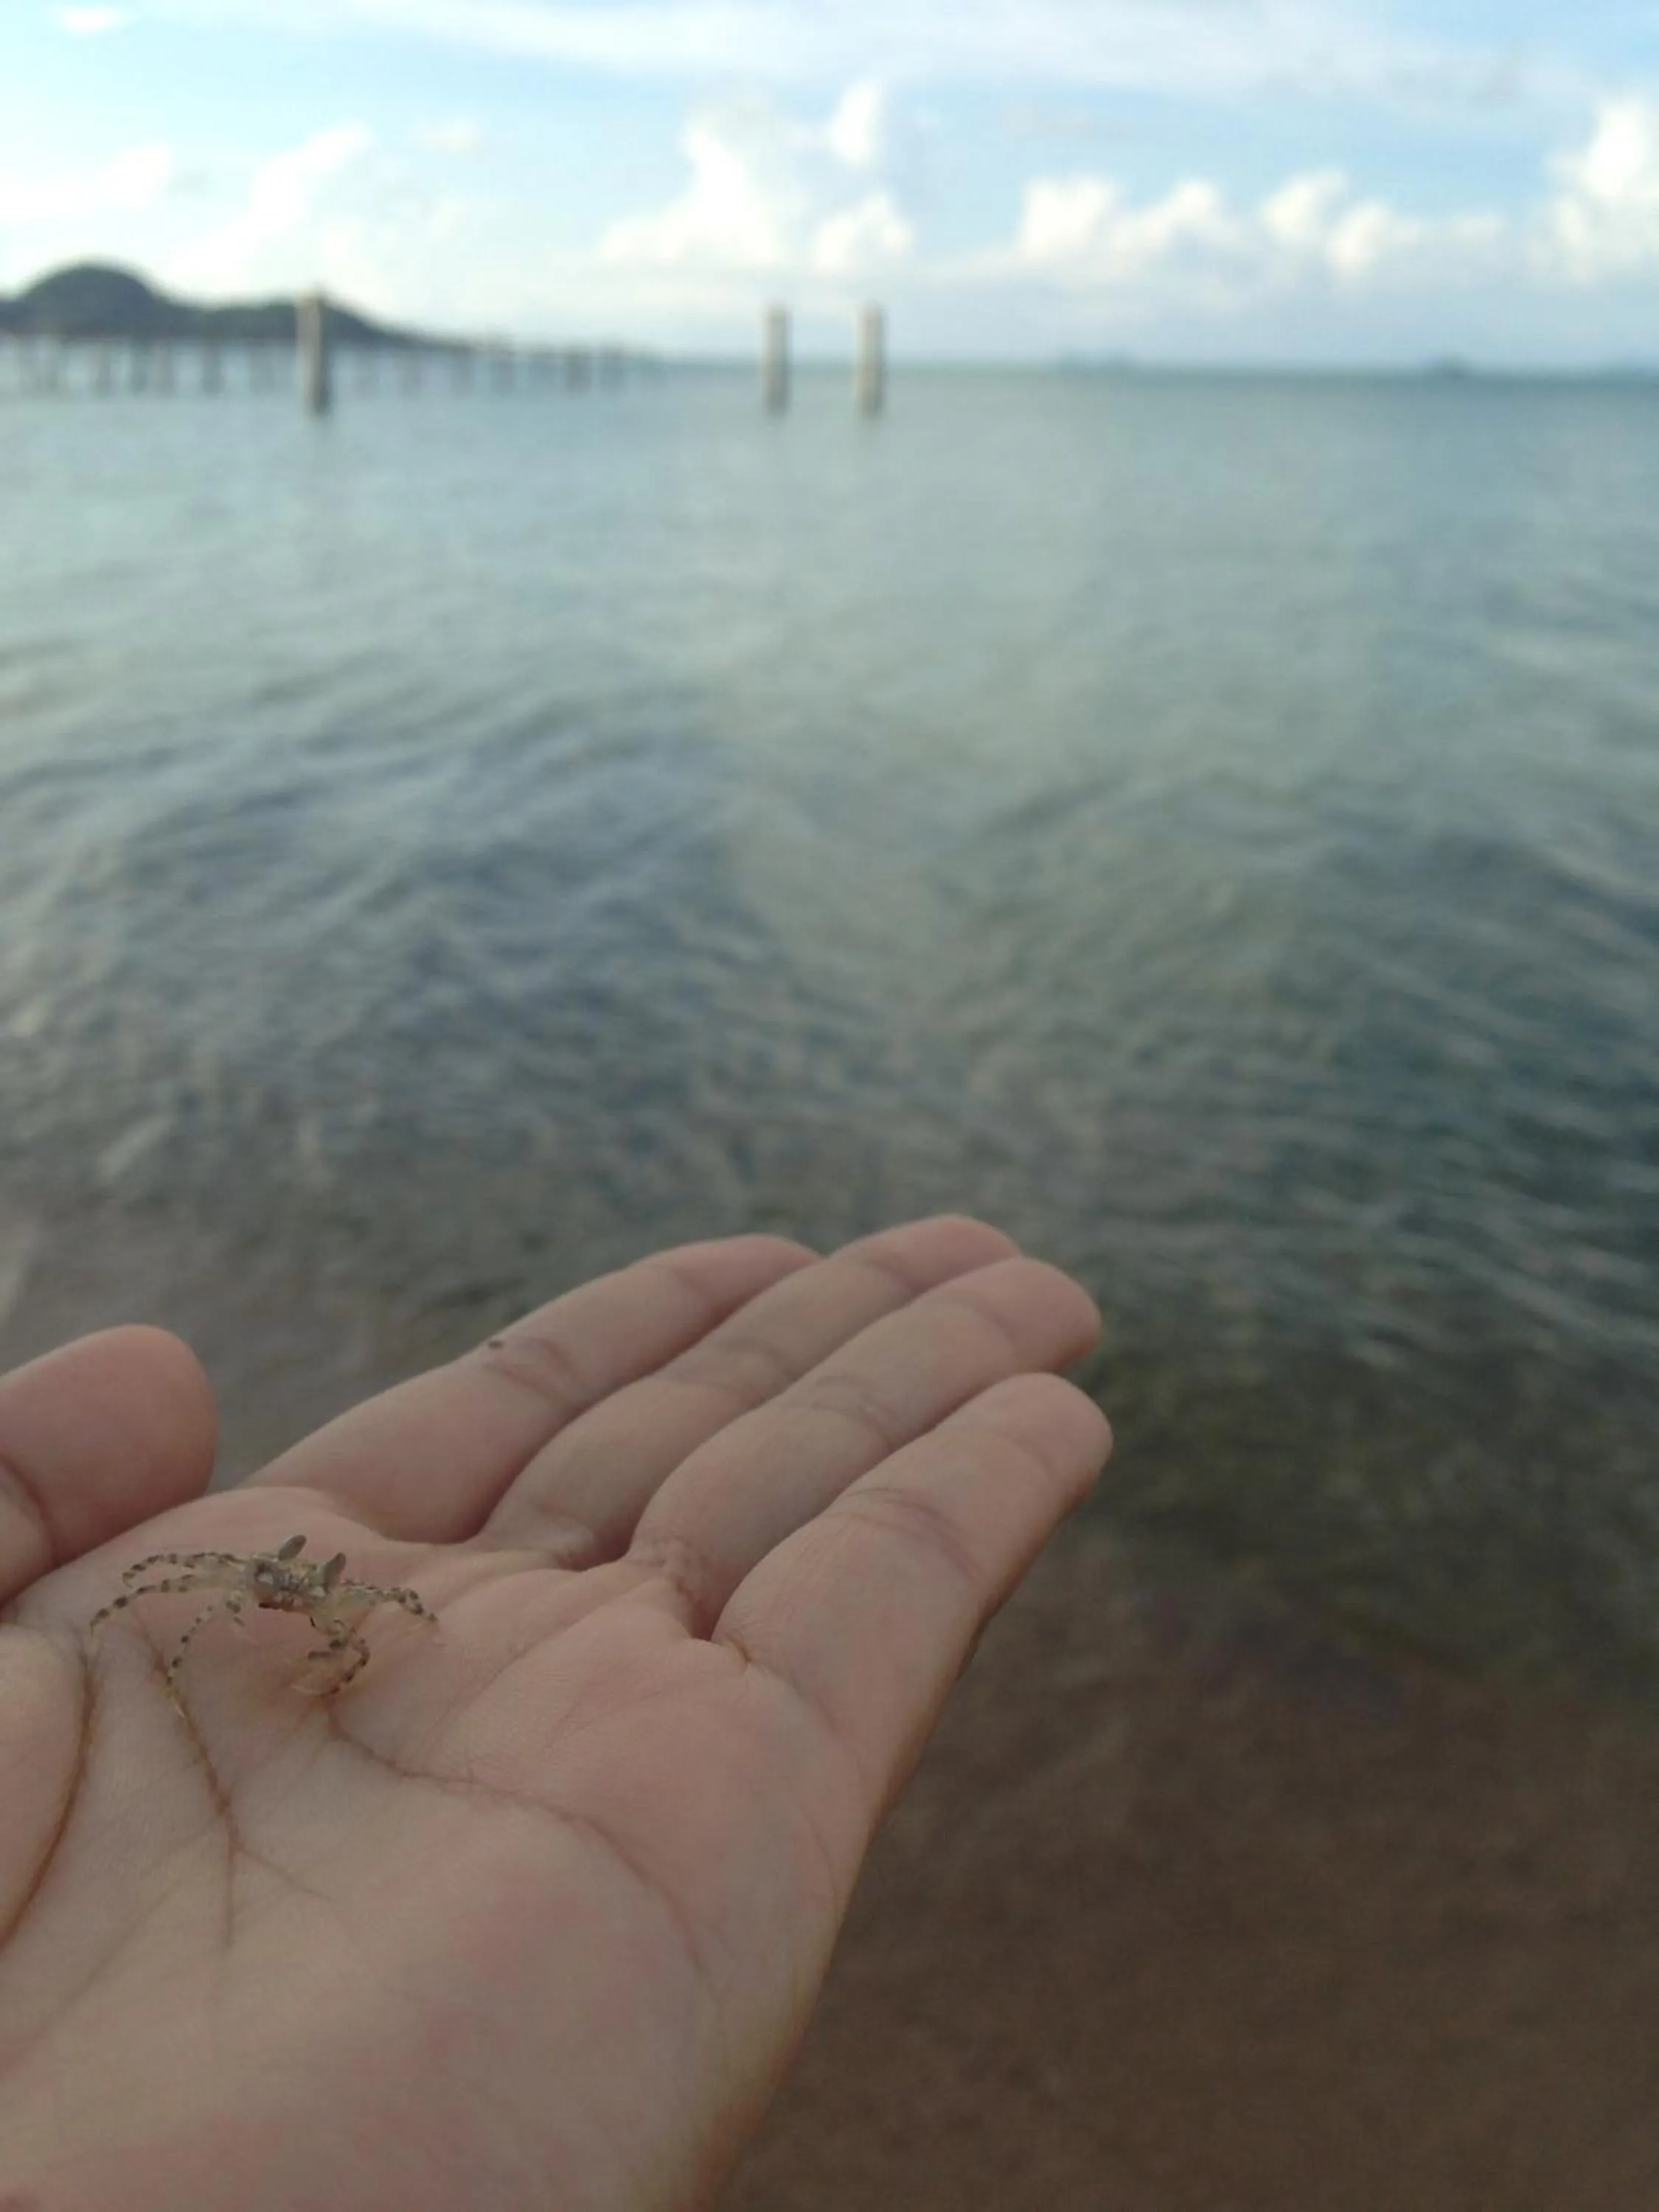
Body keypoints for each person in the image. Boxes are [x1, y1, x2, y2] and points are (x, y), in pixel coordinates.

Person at [0, 1214, 1110, 2210]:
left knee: (362, 1609)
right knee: (185, 1595)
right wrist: (121, 1633)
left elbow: (384, 1610)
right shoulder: (235, 1584)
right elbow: (177, 1591)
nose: (291, 1589)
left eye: (300, 1583)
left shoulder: (339, 1597)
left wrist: (358, 1656)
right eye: (278, 1579)